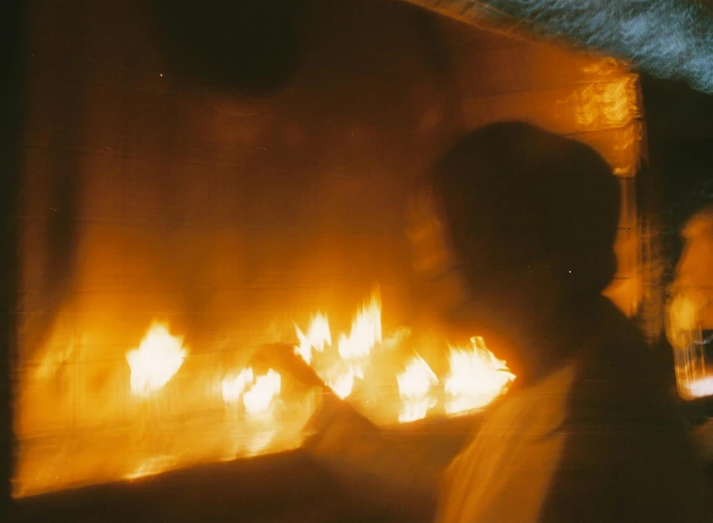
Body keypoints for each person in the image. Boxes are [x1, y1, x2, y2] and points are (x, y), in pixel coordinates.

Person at [285, 122, 712, 522]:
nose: (423, 263)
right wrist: (323, 411)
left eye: (438, 232)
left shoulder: (583, 432)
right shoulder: (561, 370)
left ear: (514, 252)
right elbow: (456, 494)